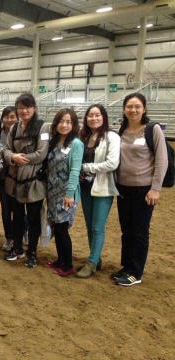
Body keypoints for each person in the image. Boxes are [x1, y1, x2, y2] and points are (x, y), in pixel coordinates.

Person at [113, 93, 168, 286]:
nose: (133, 110)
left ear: (144, 108)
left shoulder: (153, 130)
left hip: (144, 190)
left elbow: (162, 161)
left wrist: (156, 189)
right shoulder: (122, 129)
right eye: (129, 106)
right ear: (124, 109)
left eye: (137, 106)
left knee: (140, 231)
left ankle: (135, 272)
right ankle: (126, 266)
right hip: (123, 188)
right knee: (126, 230)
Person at [2, 93, 50, 268]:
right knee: (18, 217)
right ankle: (17, 248)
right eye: (21, 107)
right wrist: (13, 156)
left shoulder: (43, 128)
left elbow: (41, 154)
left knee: (34, 218)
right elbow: (5, 150)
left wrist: (22, 158)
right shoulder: (14, 128)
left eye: (27, 107)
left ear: (34, 108)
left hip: (33, 182)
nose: (24, 111)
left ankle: (32, 252)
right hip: (14, 182)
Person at [77, 104, 120, 278]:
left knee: (97, 227)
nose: (93, 118)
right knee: (89, 226)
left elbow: (112, 163)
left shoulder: (112, 137)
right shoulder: (83, 137)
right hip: (86, 187)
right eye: (90, 115)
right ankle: (96, 258)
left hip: (103, 187)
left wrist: (86, 167)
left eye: (97, 115)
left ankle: (92, 263)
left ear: (103, 117)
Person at [46, 109, 83, 277]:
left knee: (62, 229)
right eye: (61, 121)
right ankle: (60, 260)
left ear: (74, 125)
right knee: (56, 226)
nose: (64, 125)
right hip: (52, 192)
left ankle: (67, 265)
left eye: (68, 122)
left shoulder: (76, 144)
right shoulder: (54, 141)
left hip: (66, 193)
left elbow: (75, 171)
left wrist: (69, 195)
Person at [0, 106, 17, 251]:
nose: (9, 119)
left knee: (18, 208)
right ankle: (9, 237)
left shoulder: (21, 132)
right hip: (2, 176)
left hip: (18, 176)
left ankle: (20, 234)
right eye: (6, 116)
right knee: (5, 208)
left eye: (12, 116)